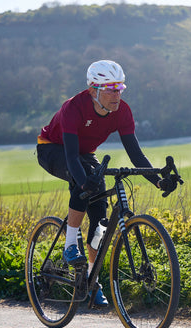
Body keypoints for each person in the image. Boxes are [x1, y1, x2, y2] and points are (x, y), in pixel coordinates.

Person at [36, 60, 170, 306]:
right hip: (53, 149)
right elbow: (71, 157)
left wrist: (159, 182)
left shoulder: (123, 111)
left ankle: (90, 279)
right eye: (109, 88)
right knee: (84, 182)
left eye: (119, 88)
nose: (115, 94)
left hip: (84, 154)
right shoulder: (73, 108)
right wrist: (84, 183)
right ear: (92, 90)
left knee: (99, 220)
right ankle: (69, 247)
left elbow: (136, 154)